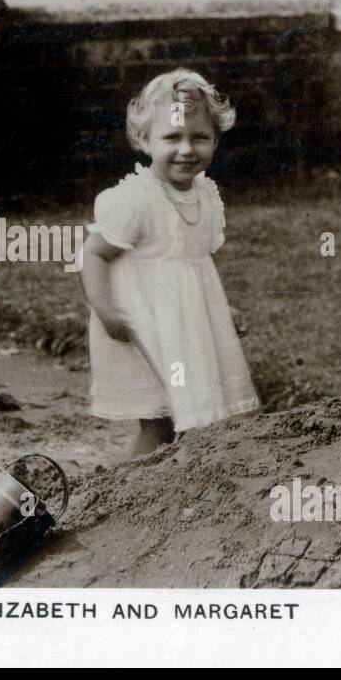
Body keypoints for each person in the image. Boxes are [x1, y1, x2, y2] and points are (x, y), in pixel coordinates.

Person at [80, 69, 261, 456]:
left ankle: (190, 488)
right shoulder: (134, 199)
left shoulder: (206, 195)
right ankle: (128, 493)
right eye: (172, 137)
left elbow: (191, 266)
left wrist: (218, 308)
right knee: (159, 422)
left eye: (199, 137)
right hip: (145, 327)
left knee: (205, 415)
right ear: (145, 140)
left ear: (215, 139)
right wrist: (106, 309)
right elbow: (94, 254)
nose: (186, 149)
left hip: (189, 327)